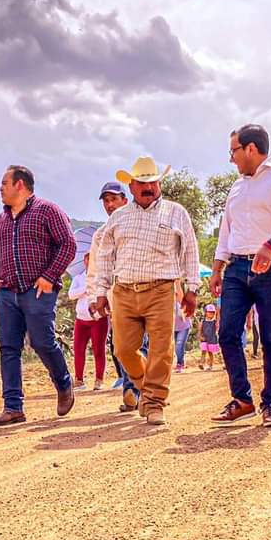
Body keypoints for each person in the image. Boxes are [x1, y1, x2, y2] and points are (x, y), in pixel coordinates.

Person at [92, 156, 200, 426]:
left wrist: (192, 289)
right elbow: (105, 256)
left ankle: (153, 402)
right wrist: (100, 291)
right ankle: (145, 387)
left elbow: (190, 251)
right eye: (141, 182)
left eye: (152, 181)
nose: (147, 187)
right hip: (124, 291)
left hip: (161, 289)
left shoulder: (176, 213)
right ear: (131, 186)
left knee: (161, 350)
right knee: (123, 349)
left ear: (159, 183)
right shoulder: (118, 218)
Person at [209, 124, 271, 427]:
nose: (231, 158)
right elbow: (227, 229)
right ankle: (242, 399)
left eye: (233, 151)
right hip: (236, 267)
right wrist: (218, 266)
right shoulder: (237, 187)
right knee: (227, 333)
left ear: (250, 148)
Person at [0, 165, 77, 425]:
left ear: (20, 185)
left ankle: (63, 383)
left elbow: (68, 244)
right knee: (8, 348)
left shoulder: (48, 211)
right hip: (8, 294)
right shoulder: (0, 221)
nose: (0, 188)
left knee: (42, 342)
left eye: (4, 183)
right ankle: (13, 407)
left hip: (38, 291)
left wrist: (49, 276)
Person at [87, 181, 143, 411]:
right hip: (117, 297)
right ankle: (140, 388)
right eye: (106, 201)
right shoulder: (100, 236)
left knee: (144, 342)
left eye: (114, 199)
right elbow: (95, 268)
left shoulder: (140, 226)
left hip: (145, 292)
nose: (110, 205)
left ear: (125, 200)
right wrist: (94, 296)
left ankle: (136, 390)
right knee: (122, 346)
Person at [68, 253, 108, 390]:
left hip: (98, 319)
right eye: (88, 260)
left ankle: (99, 380)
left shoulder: (101, 279)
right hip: (81, 319)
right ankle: (79, 380)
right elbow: (71, 294)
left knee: (99, 349)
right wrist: (86, 288)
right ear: (84, 262)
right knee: (78, 350)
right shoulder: (78, 278)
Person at [173, 284, 192, 373]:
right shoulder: (167, 303)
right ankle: (180, 362)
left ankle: (179, 364)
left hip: (184, 327)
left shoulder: (182, 301)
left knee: (179, 345)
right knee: (175, 346)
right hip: (173, 328)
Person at [199, 305, 220, 370]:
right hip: (204, 338)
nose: (211, 314)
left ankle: (210, 365)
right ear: (205, 312)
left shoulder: (215, 322)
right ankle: (201, 363)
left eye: (213, 312)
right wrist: (200, 336)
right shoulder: (203, 321)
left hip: (212, 339)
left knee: (210, 352)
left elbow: (217, 327)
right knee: (203, 351)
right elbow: (200, 329)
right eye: (209, 312)